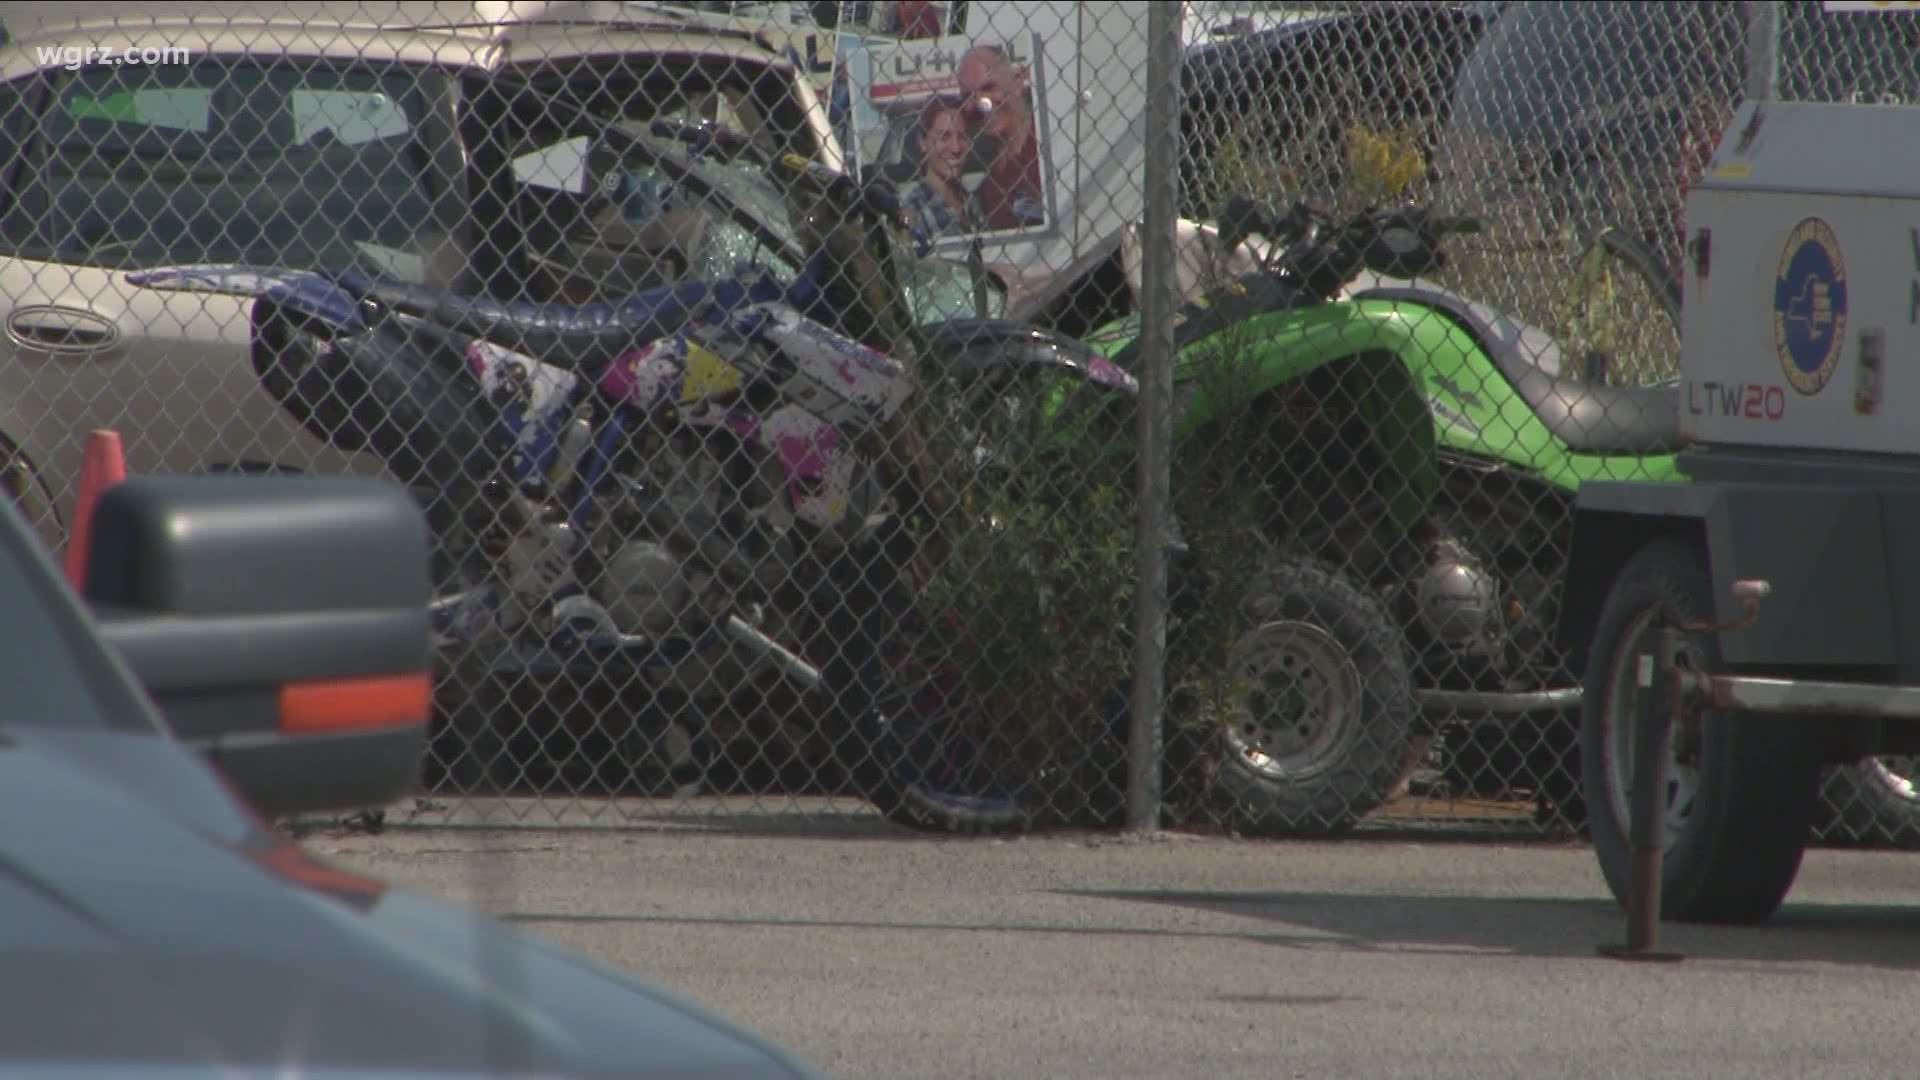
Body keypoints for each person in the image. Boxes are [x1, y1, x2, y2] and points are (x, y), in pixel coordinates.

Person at [956, 43, 1044, 232]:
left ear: (1018, 82)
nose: (981, 103)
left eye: (988, 87)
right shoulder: (992, 176)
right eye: (968, 96)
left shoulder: (1045, 151)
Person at [899, 98, 972, 244]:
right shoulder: (912, 210)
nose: (956, 148)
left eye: (962, 136)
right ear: (922, 142)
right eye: (944, 137)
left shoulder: (974, 203)